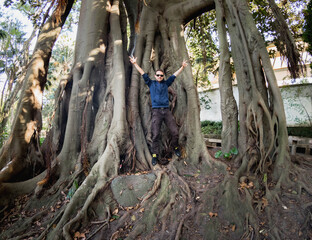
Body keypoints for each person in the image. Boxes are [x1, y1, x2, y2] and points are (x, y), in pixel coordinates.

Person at [129, 56, 188, 166]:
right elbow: (142, 73)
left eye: (161, 75)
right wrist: (135, 64)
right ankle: (155, 155)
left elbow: (174, 75)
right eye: (158, 75)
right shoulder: (151, 83)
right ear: (155, 76)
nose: (160, 77)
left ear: (163, 76)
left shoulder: (166, 83)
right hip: (156, 112)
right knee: (155, 134)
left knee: (175, 132)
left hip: (166, 111)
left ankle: (175, 147)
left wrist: (182, 67)